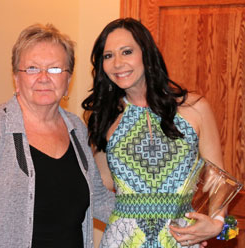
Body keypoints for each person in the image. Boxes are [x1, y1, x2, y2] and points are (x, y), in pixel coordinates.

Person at [0, 23, 115, 248]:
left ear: (68, 79)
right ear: (16, 78)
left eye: (54, 69)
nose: (43, 77)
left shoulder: (76, 129)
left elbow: (99, 198)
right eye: (32, 68)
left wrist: (161, 218)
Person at [82, 18, 225, 247]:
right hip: (123, 241)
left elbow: (218, 175)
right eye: (108, 56)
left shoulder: (195, 108)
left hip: (181, 239)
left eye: (126, 52)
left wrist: (218, 222)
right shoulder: (103, 118)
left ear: (146, 54)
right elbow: (98, 186)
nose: (117, 63)